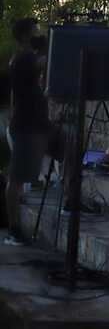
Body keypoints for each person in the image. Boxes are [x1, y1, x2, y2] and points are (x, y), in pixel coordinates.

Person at [4, 18, 50, 245]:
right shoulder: (24, 58)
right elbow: (44, 63)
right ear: (24, 36)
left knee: (69, 147)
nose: (38, 35)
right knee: (16, 178)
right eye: (35, 31)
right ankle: (14, 229)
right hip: (26, 126)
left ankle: (71, 200)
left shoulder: (26, 57)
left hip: (39, 123)